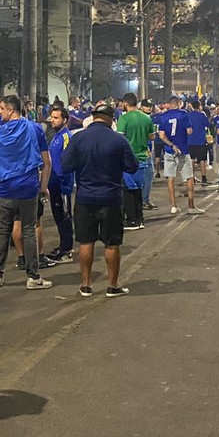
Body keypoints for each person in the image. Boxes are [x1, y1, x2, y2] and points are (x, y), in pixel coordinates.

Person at [60, 103, 138, 298]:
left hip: (85, 197)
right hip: (111, 198)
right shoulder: (118, 140)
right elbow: (132, 167)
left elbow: (66, 165)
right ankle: (112, 285)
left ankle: (86, 285)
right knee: (112, 244)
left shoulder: (78, 138)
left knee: (86, 242)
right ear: (111, 119)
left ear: (93, 117)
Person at [0, 94, 52, 290]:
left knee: (3, 231)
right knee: (29, 231)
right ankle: (33, 276)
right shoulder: (34, 128)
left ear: (10, 110)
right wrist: (43, 187)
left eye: (1, 108)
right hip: (28, 187)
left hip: (6, 189)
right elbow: (47, 162)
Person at [156, 96, 203, 215]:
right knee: (188, 176)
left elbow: (161, 135)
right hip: (183, 149)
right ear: (179, 103)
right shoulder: (184, 114)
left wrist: (171, 145)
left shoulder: (163, 116)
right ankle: (191, 206)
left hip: (169, 150)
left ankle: (173, 206)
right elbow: (189, 131)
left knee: (170, 178)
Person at [116, 93, 155, 219]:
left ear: (126, 104)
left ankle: (132, 219)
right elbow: (152, 136)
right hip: (144, 157)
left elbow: (120, 139)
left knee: (128, 190)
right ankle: (140, 218)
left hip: (128, 159)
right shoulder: (147, 118)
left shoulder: (124, 118)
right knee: (139, 189)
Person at [46, 106, 76, 258]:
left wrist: (63, 181)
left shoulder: (65, 136)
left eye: (56, 117)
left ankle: (67, 250)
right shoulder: (56, 137)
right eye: (51, 117)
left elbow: (66, 161)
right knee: (58, 216)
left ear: (64, 120)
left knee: (64, 217)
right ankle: (62, 246)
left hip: (62, 185)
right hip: (54, 184)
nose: (52, 120)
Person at [187, 100, 211, 184]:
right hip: (201, 141)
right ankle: (204, 178)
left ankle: (192, 177)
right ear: (199, 106)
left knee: (192, 160)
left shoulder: (188, 115)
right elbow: (208, 125)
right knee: (202, 160)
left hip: (190, 141)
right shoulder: (202, 115)